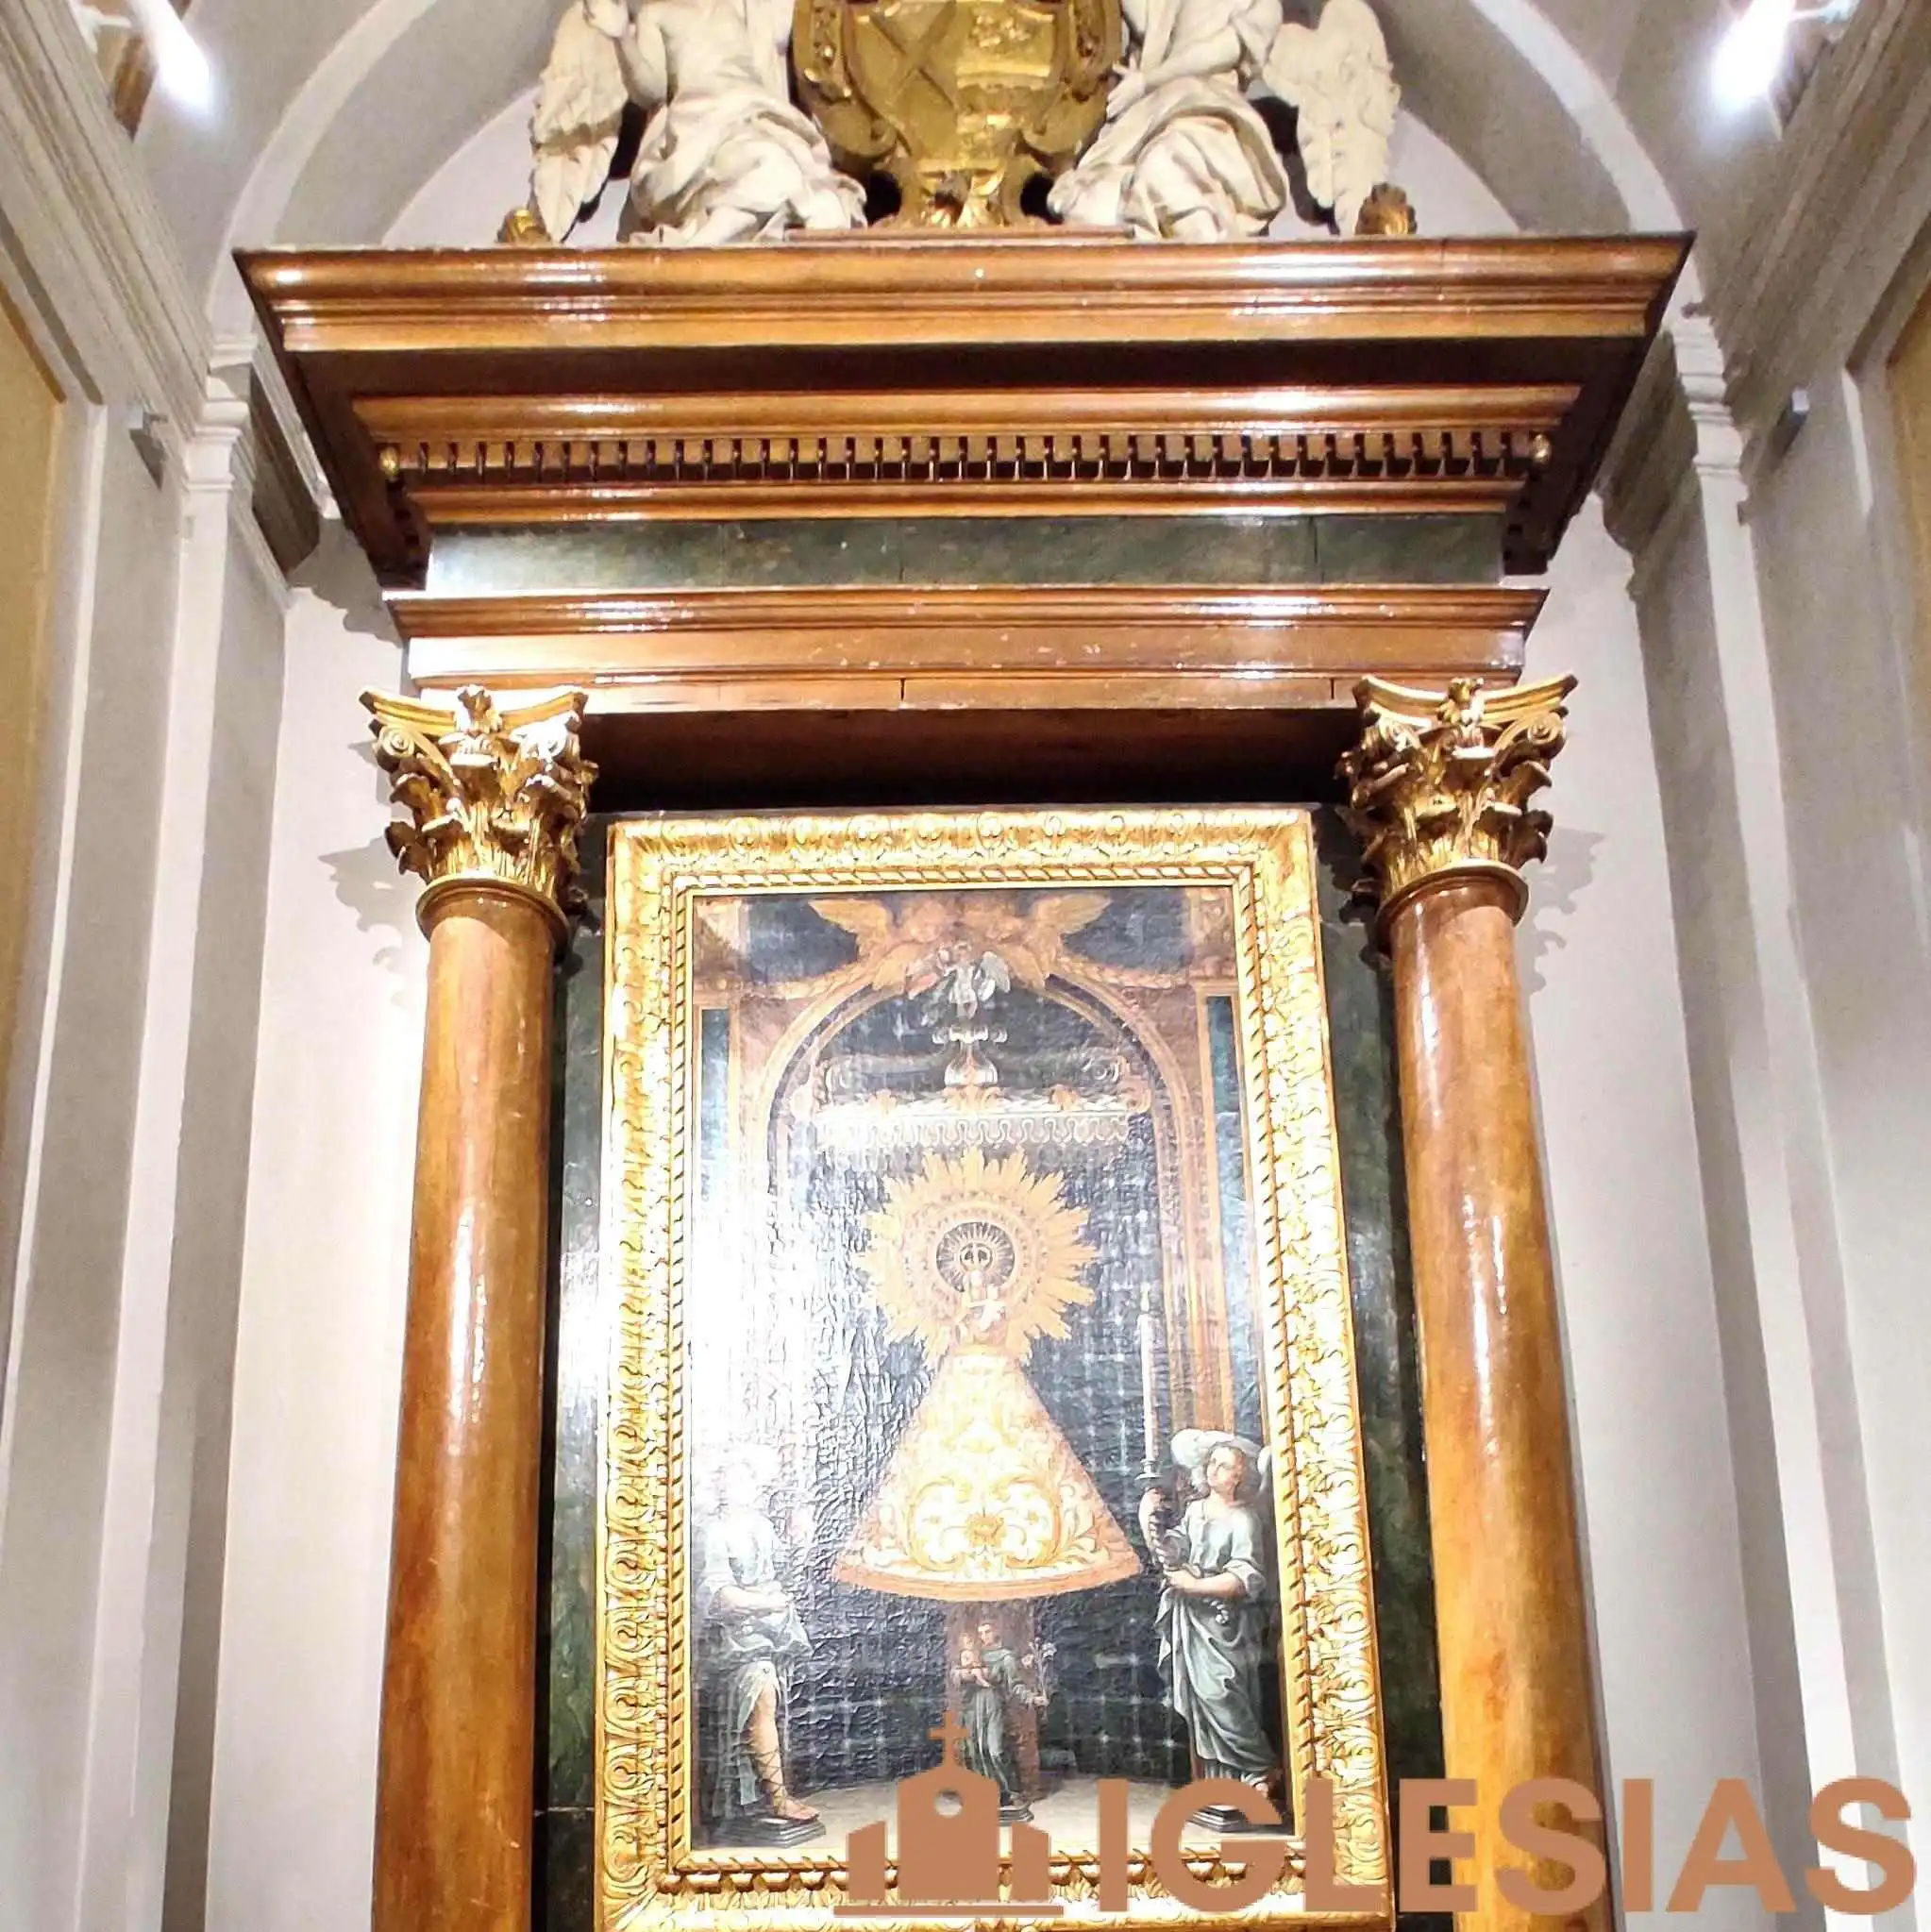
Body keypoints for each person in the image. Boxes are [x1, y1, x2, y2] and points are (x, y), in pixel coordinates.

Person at [1048, 0, 1288, 241]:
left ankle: (1200, 245)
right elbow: (1147, 23)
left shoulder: (1263, 7)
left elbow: (1219, 52)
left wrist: (1147, 81)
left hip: (1205, 110)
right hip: (1147, 114)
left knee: (1164, 166)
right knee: (1089, 201)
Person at [1138, 1433, 1277, 1794]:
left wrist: (1195, 1585)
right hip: (1192, 1621)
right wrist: (1148, 1517)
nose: (1216, 1470)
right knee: (1201, 1699)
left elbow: (1246, 1577)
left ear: (1239, 1477)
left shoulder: (1244, 1519)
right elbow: (1171, 1552)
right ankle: (1222, 1784)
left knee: (1223, 1693)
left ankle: (1258, 1768)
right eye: (1213, 1462)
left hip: (1225, 1625)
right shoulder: (1195, 1511)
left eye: (1226, 1466)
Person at [695, 1446, 820, 1840]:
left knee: (770, 1706)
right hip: (733, 1642)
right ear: (722, 1486)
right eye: (736, 1480)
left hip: (770, 1634)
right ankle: (778, 1799)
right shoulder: (712, 1532)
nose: (745, 1487)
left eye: (748, 1479)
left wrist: (800, 1539)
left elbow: (786, 1569)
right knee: (763, 1694)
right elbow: (718, 1596)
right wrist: (766, 1603)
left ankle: (766, 1798)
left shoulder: (761, 1526)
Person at [953, 1615, 1045, 1819]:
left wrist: (1031, 1698)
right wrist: (966, 1674)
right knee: (976, 1751)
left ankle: (1011, 1792)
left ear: (996, 1632)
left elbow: (1015, 1685)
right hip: (974, 1707)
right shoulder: (973, 1653)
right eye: (980, 1633)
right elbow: (956, 1673)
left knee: (995, 1750)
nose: (984, 1636)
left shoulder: (1005, 1657)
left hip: (993, 1705)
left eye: (987, 1632)